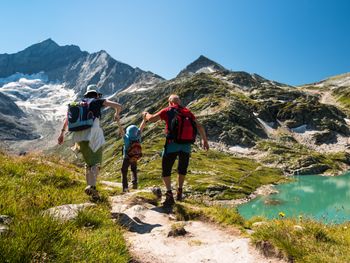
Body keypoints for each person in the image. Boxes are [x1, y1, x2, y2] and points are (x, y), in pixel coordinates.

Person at [143, 94, 209, 207]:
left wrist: (145, 114)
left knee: (166, 169)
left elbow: (152, 119)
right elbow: (199, 126)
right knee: (182, 169)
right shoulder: (187, 112)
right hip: (186, 146)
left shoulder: (168, 110)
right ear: (179, 102)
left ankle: (169, 194)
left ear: (169, 102)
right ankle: (179, 191)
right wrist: (204, 140)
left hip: (172, 144)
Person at [58, 84, 122, 200]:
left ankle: (91, 191)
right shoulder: (98, 101)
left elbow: (67, 119)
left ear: (86, 94)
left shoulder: (78, 104)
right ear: (97, 94)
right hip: (94, 135)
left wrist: (61, 134)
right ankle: (92, 186)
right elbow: (118, 105)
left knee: (88, 163)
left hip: (79, 136)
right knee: (96, 163)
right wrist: (116, 114)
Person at [120, 116, 147, 192]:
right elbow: (141, 128)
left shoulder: (126, 139)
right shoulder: (138, 137)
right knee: (133, 169)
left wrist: (118, 122)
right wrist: (144, 120)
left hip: (127, 157)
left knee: (124, 171)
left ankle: (125, 188)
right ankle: (134, 183)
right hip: (135, 156)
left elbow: (121, 130)